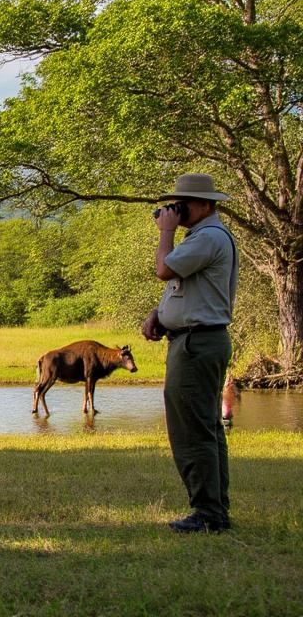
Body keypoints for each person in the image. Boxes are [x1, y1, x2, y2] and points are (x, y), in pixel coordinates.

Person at [140, 173, 238, 534]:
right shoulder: (201, 237)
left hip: (197, 344)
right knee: (206, 426)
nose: (175, 210)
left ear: (205, 205)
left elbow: (163, 269)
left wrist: (165, 233)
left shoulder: (209, 237)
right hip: (196, 340)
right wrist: (161, 314)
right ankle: (215, 509)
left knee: (191, 430)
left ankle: (208, 513)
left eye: (182, 204)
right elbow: (188, 289)